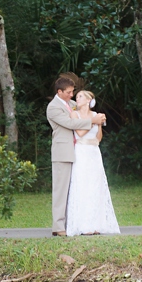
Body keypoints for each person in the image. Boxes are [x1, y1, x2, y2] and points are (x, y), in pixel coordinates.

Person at [47, 77, 105, 236]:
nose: (72, 95)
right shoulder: (53, 108)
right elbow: (71, 124)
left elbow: (82, 107)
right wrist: (93, 120)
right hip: (63, 152)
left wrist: (97, 116)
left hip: (79, 151)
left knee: (76, 189)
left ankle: (74, 223)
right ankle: (58, 227)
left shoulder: (70, 104)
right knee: (61, 190)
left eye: (73, 92)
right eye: (68, 92)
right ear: (59, 92)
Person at [65, 90, 121, 236]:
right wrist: (93, 122)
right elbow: (79, 133)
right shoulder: (74, 114)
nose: (77, 98)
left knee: (96, 186)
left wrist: (99, 124)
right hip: (81, 151)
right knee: (82, 184)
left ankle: (96, 224)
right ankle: (83, 225)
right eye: (76, 97)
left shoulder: (96, 115)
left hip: (94, 151)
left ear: (89, 100)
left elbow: (98, 138)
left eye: (80, 96)